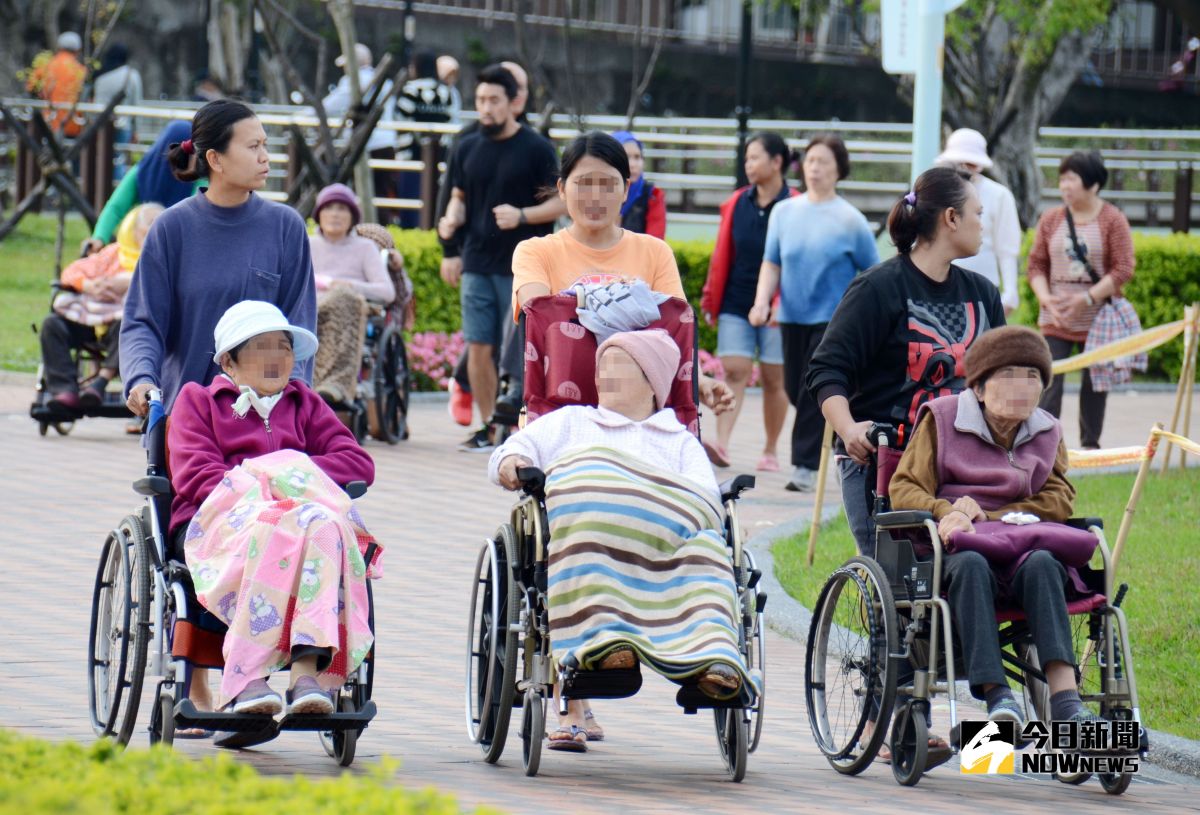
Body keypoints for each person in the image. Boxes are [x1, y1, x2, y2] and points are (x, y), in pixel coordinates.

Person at [489, 329, 753, 752]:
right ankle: (605, 648)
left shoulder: (680, 441)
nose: (604, 377)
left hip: (669, 547)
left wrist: (667, 510)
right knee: (586, 543)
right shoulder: (572, 422)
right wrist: (515, 462)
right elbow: (510, 452)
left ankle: (711, 659)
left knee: (708, 553)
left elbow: (704, 502)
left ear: (652, 382)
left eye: (619, 368)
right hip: (592, 535)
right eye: (601, 368)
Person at [168, 301, 378, 728]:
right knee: (286, 524)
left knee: (325, 526)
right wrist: (275, 483)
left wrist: (289, 477)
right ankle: (247, 679)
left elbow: (357, 463)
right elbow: (197, 476)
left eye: (283, 347)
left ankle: (305, 674)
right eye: (262, 347)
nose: (277, 358)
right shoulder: (199, 401)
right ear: (229, 360)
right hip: (218, 527)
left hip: (300, 529)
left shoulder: (304, 403)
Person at [889, 325, 1105, 733]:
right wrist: (947, 510)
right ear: (981, 387)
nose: (1021, 387)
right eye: (1008, 376)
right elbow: (903, 487)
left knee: (1043, 564)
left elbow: (1059, 498)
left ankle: (1065, 701)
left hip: (1021, 544)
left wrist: (994, 515)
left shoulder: (1046, 429)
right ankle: (997, 695)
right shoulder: (943, 418)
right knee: (971, 564)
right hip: (958, 550)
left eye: (1032, 377)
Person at [805, 165, 1006, 558]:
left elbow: (1000, 378)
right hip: (882, 464)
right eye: (977, 214)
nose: (983, 225)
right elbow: (827, 370)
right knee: (900, 587)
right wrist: (848, 430)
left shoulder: (983, 294)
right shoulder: (878, 288)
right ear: (951, 218)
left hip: (961, 464)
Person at [511, 131, 735, 418]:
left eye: (607, 184)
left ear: (626, 189)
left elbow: (676, 332)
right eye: (584, 183)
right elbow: (541, 316)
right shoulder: (535, 252)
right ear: (562, 188)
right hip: (560, 414)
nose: (595, 196)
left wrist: (699, 382)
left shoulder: (655, 252)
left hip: (640, 415)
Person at [121, 98, 317, 417]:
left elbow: (299, 323)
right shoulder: (171, 229)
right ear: (215, 158)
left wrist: (289, 403)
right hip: (185, 423)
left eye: (265, 145)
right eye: (253, 146)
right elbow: (143, 321)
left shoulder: (286, 227)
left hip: (267, 421)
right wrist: (141, 379)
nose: (265, 157)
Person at [437, 63, 564, 452]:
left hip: (523, 266)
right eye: (480, 100)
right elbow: (458, 195)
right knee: (478, 346)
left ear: (514, 103)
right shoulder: (467, 145)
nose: (486, 108)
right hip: (476, 259)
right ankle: (490, 425)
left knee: (518, 349)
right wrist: (450, 228)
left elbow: (561, 201)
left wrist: (523, 215)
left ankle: (516, 424)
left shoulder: (537, 148)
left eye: (494, 100)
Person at [749, 133, 879, 492]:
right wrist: (762, 302)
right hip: (791, 317)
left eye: (824, 162)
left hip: (833, 320)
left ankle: (804, 467)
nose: (815, 168)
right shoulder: (784, 211)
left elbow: (872, 274)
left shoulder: (851, 220)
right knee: (795, 388)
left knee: (811, 389)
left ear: (839, 170)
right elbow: (771, 263)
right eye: (810, 161)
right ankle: (840, 437)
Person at [701, 132, 799, 472]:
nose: (749, 165)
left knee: (775, 378)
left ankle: (771, 450)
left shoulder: (796, 204)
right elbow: (721, 253)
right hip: (736, 299)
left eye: (755, 157)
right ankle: (722, 444)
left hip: (780, 306)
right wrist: (711, 297)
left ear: (777, 162)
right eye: (746, 159)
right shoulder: (736, 202)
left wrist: (781, 302)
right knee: (734, 370)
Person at [1027, 151, 1134, 450]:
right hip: (1056, 316)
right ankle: (1046, 447)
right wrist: (1045, 298)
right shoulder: (1051, 219)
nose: (1064, 186)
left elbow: (1124, 267)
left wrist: (1087, 298)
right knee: (1050, 381)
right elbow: (1036, 264)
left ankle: (1090, 446)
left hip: (1098, 317)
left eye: (1071, 179)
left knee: (1095, 384)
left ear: (1093, 184)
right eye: (1062, 179)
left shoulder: (1113, 219)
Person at [41, 204, 163, 411]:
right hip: (91, 319)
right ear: (133, 231)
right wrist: (89, 285)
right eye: (147, 229)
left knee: (131, 325)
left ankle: (100, 382)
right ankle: (64, 389)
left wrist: (130, 281)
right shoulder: (114, 254)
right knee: (52, 325)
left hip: (121, 325)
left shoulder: (162, 259)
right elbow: (71, 272)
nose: (152, 236)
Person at [308, 183, 394, 405]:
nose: (335, 214)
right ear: (319, 214)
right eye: (329, 208)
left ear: (352, 216)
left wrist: (348, 285)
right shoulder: (307, 244)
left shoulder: (365, 248)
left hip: (349, 306)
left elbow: (386, 292)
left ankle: (336, 384)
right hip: (311, 307)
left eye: (342, 208)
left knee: (342, 296)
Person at [935, 128, 1021, 315]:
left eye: (970, 164)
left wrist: (1010, 291)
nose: (964, 169)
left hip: (983, 287)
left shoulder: (999, 195)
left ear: (980, 165)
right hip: (938, 285)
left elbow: (1007, 247)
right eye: (958, 163)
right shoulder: (936, 193)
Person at [82, 120, 198, 255]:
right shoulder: (143, 171)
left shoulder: (144, 171)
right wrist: (99, 238)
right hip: (149, 250)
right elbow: (115, 208)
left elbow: (115, 208)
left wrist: (99, 237)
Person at [322, 43, 396, 224]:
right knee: (381, 193)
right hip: (386, 142)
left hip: (363, 145)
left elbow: (329, 107)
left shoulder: (352, 81)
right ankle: (381, 228)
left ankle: (363, 226)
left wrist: (303, 115)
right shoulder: (386, 83)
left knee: (360, 191)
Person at [394, 51, 453, 228]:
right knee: (435, 197)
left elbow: (400, 121)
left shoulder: (409, 91)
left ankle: (410, 227)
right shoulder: (445, 92)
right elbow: (450, 120)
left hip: (410, 155)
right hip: (439, 156)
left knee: (410, 199)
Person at [26, 32, 86, 136]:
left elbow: (31, 88)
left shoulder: (46, 66)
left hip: (46, 122)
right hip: (72, 125)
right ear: (78, 50)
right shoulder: (80, 71)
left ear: (59, 47)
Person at [610, 131, 666, 238]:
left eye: (637, 157)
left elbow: (655, 243)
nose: (633, 164)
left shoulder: (653, 195)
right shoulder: (598, 194)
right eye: (626, 157)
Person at [437, 55, 463, 125]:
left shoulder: (454, 92)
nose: (452, 78)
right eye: (449, 75)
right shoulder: (435, 91)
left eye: (454, 75)